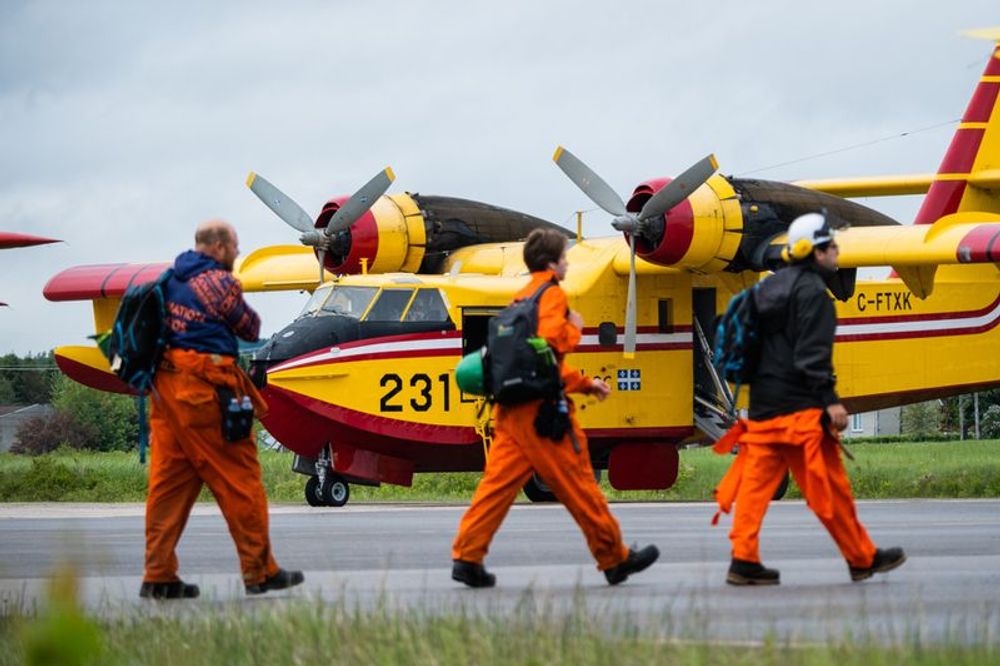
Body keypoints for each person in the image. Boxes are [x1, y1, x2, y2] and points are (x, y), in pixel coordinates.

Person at [451, 228, 659, 587]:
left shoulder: (520, 297)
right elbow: (546, 348)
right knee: (581, 487)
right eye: (564, 258)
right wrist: (575, 333)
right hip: (543, 417)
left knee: (495, 489)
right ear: (551, 263)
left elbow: (535, 356)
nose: (567, 264)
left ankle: (467, 557)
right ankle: (614, 558)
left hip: (510, 412)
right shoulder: (551, 296)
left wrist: (579, 379)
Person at [712, 212, 906, 585]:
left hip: (764, 409)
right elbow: (811, 355)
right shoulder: (814, 294)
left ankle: (743, 560)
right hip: (800, 410)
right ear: (815, 252)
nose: (836, 251)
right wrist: (831, 401)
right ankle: (861, 557)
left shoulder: (765, 289)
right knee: (830, 490)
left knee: (753, 491)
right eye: (830, 245)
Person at [140, 220, 304, 599]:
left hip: (164, 391)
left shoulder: (168, 279)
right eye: (234, 247)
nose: (237, 254)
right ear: (217, 246)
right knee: (240, 480)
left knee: (168, 486)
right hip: (203, 389)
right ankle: (259, 570)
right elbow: (249, 328)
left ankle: (158, 573)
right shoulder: (218, 282)